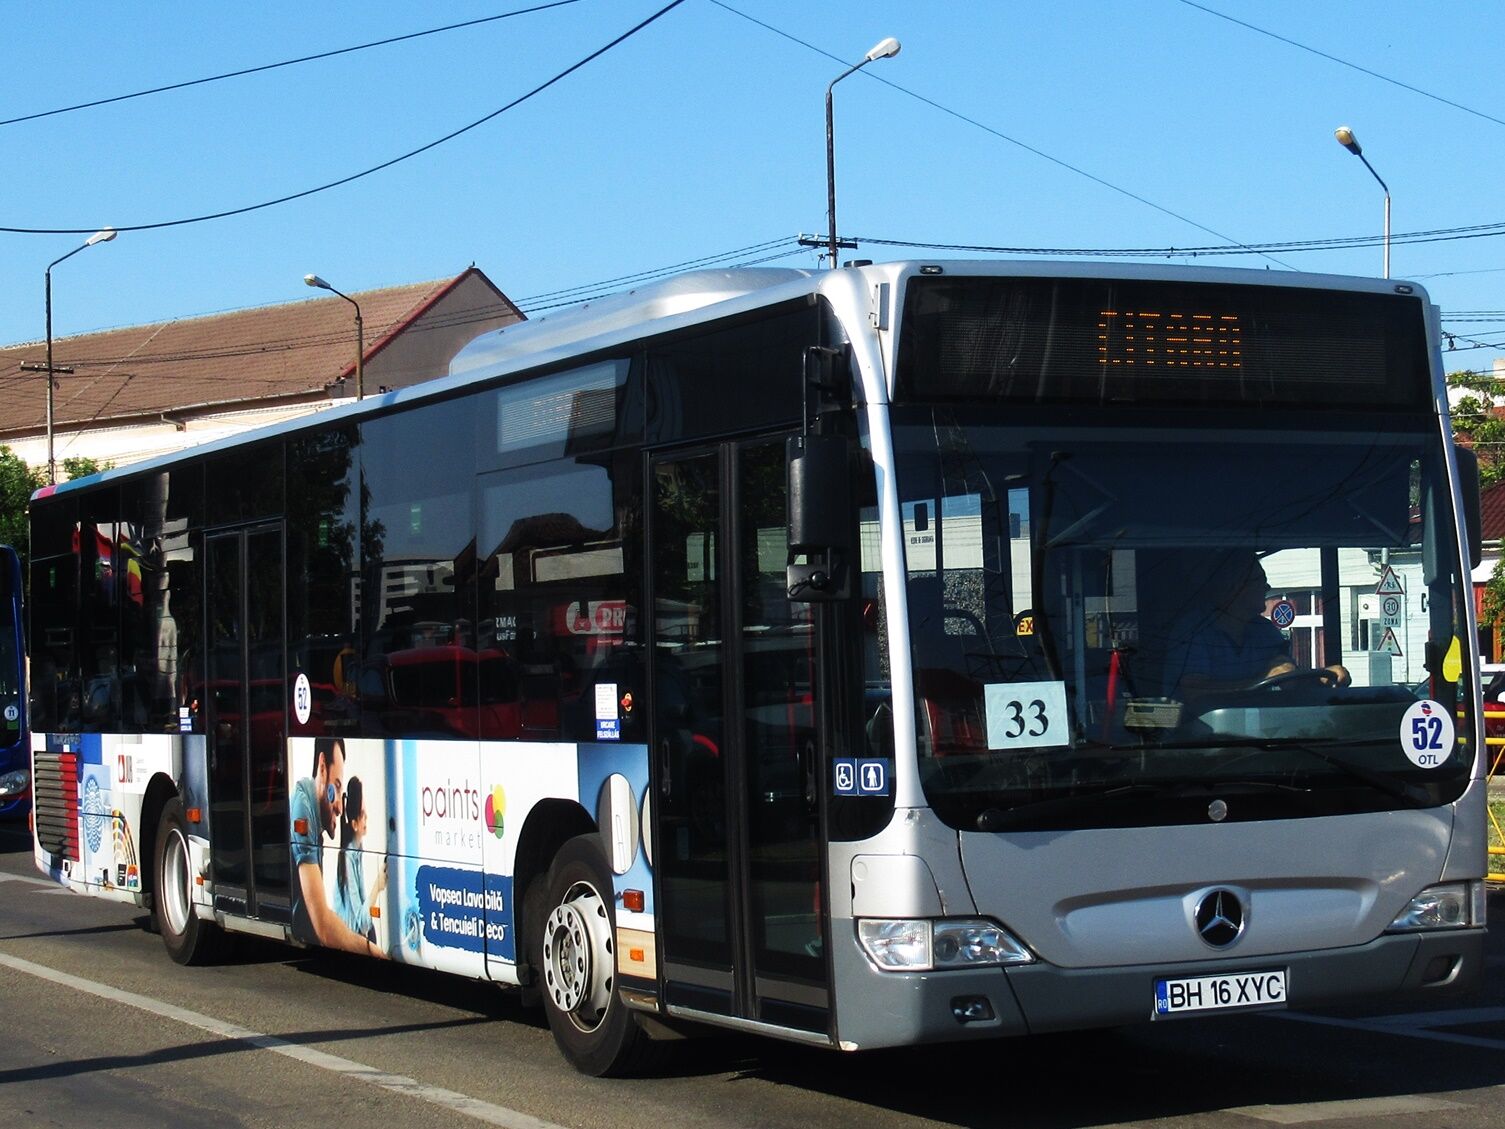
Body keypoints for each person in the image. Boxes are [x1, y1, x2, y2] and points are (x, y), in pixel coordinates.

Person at [1165, 550, 1349, 698]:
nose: (1267, 588)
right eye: (1260, 581)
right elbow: (1195, 693)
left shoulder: (1264, 631)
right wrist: (1262, 679)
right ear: (1235, 587)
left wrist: (1321, 677)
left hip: (1258, 727)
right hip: (1195, 731)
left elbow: (1287, 678)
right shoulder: (1193, 631)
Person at [290, 737, 387, 958]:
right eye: (337, 785)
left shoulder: (347, 846)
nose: (340, 808)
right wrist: (378, 954)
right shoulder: (303, 809)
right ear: (322, 768)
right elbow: (324, 926)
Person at [334, 775, 387, 942]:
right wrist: (377, 886)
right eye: (363, 814)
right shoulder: (348, 858)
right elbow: (362, 924)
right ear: (355, 824)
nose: (367, 817)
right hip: (349, 938)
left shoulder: (357, 850)